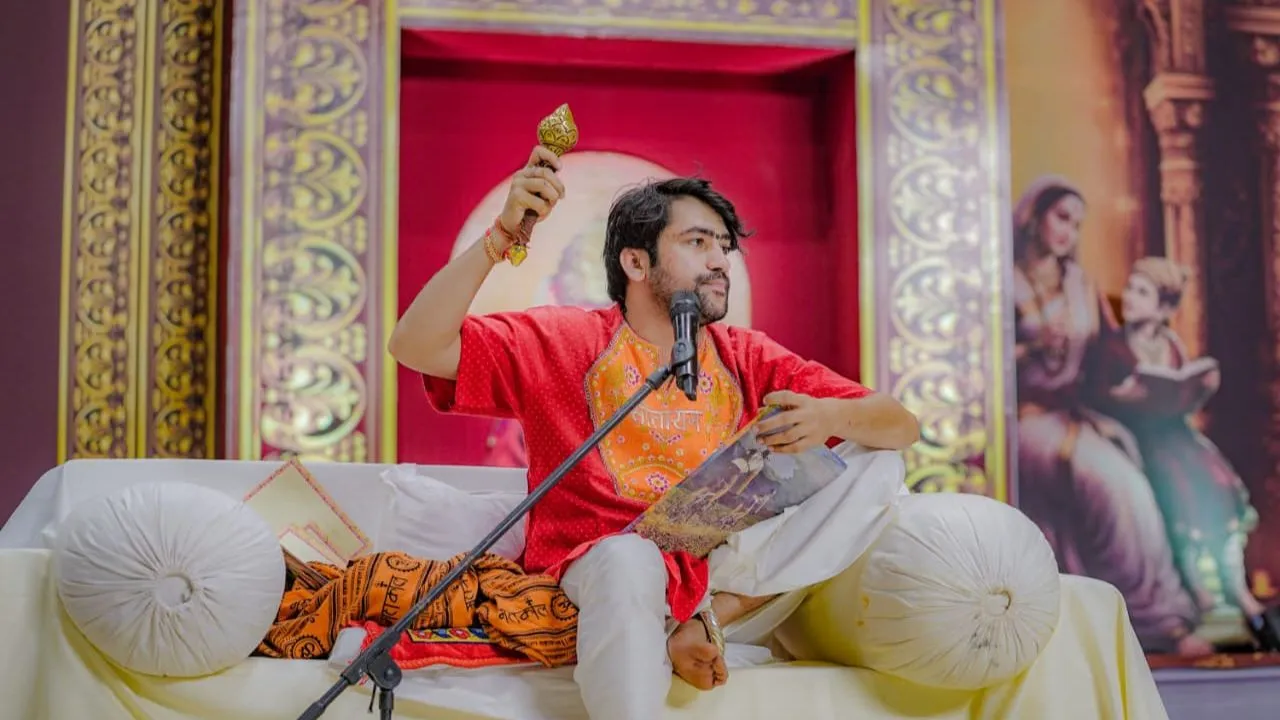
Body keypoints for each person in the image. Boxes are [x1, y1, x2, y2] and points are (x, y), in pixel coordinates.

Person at [388, 146, 919, 719]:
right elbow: (415, 345)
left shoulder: (747, 355)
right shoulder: (563, 342)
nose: (719, 261)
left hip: (716, 572)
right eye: (697, 242)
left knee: (879, 462)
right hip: (603, 572)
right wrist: (498, 239)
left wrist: (830, 418)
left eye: (724, 247)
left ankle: (707, 619)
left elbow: (901, 424)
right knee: (628, 559)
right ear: (636, 263)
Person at [1009, 176, 1211, 656]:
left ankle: (1153, 614)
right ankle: (1153, 617)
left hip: (1072, 414)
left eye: (1078, 224)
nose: (1069, 232)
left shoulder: (1080, 284)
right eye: (1062, 218)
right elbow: (974, 357)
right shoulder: (1004, 279)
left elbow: (1106, 353)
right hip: (1021, 420)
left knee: (1137, 476)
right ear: (1035, 217)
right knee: (1110, 482)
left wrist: (1148, 370)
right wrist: (1028, 349)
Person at [1108, 257, 1279, 651]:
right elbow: (1100, 394)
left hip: (1175, 434)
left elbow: (1180, 391)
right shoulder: (1116, 346)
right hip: (1141, 439)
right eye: (1130, 289)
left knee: (1216, 483)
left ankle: (1238, 592)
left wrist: (1197, 388)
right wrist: (1125, 396)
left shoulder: (1169, 344)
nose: (1130, 298)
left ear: (1164, 308)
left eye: (1142, 292)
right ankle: (1201, 597)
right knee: (1178, 496)